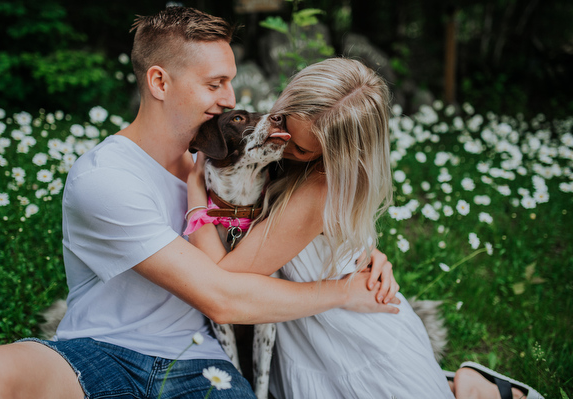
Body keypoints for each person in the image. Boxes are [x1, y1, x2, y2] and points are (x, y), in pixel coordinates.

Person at [0, 8, 400, 399]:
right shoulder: (107, 178)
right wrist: (343, 292)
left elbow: (301, 215)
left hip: (201, 363)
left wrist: (362, 253)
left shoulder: (237, 167)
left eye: (230, 82)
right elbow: (222, 298)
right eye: (215, 84)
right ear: (159, 82)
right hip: (102, 350)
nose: (230, 99)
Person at [186, 58, 544, 399]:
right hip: (312, 339)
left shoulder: (318, 188)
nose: (280, 142)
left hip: (355, 346)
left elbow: (223, 288)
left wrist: (196, 196)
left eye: (299, 146)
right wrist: (368, 250)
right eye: (282, 122)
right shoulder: (287, 153)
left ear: (332, 154)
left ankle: (473, 385)